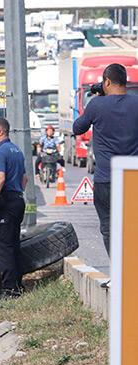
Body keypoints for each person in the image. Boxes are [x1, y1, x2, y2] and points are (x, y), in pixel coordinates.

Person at [73, 63, 138, 255]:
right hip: (133, 177)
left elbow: (77, 128)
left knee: (110, 228)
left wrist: (98, 99)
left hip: (106, 179)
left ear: (107, 82)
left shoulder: (97, 105)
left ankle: (119, 275)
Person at [0, 117, 27, 300]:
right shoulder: (17, 150)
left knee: (3, 248)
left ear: (0, 132)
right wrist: (16, 194)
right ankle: (17, 286)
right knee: (14, 245)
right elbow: (24, 179)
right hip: (17, 201)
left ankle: (9, 290)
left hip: (6, 203)